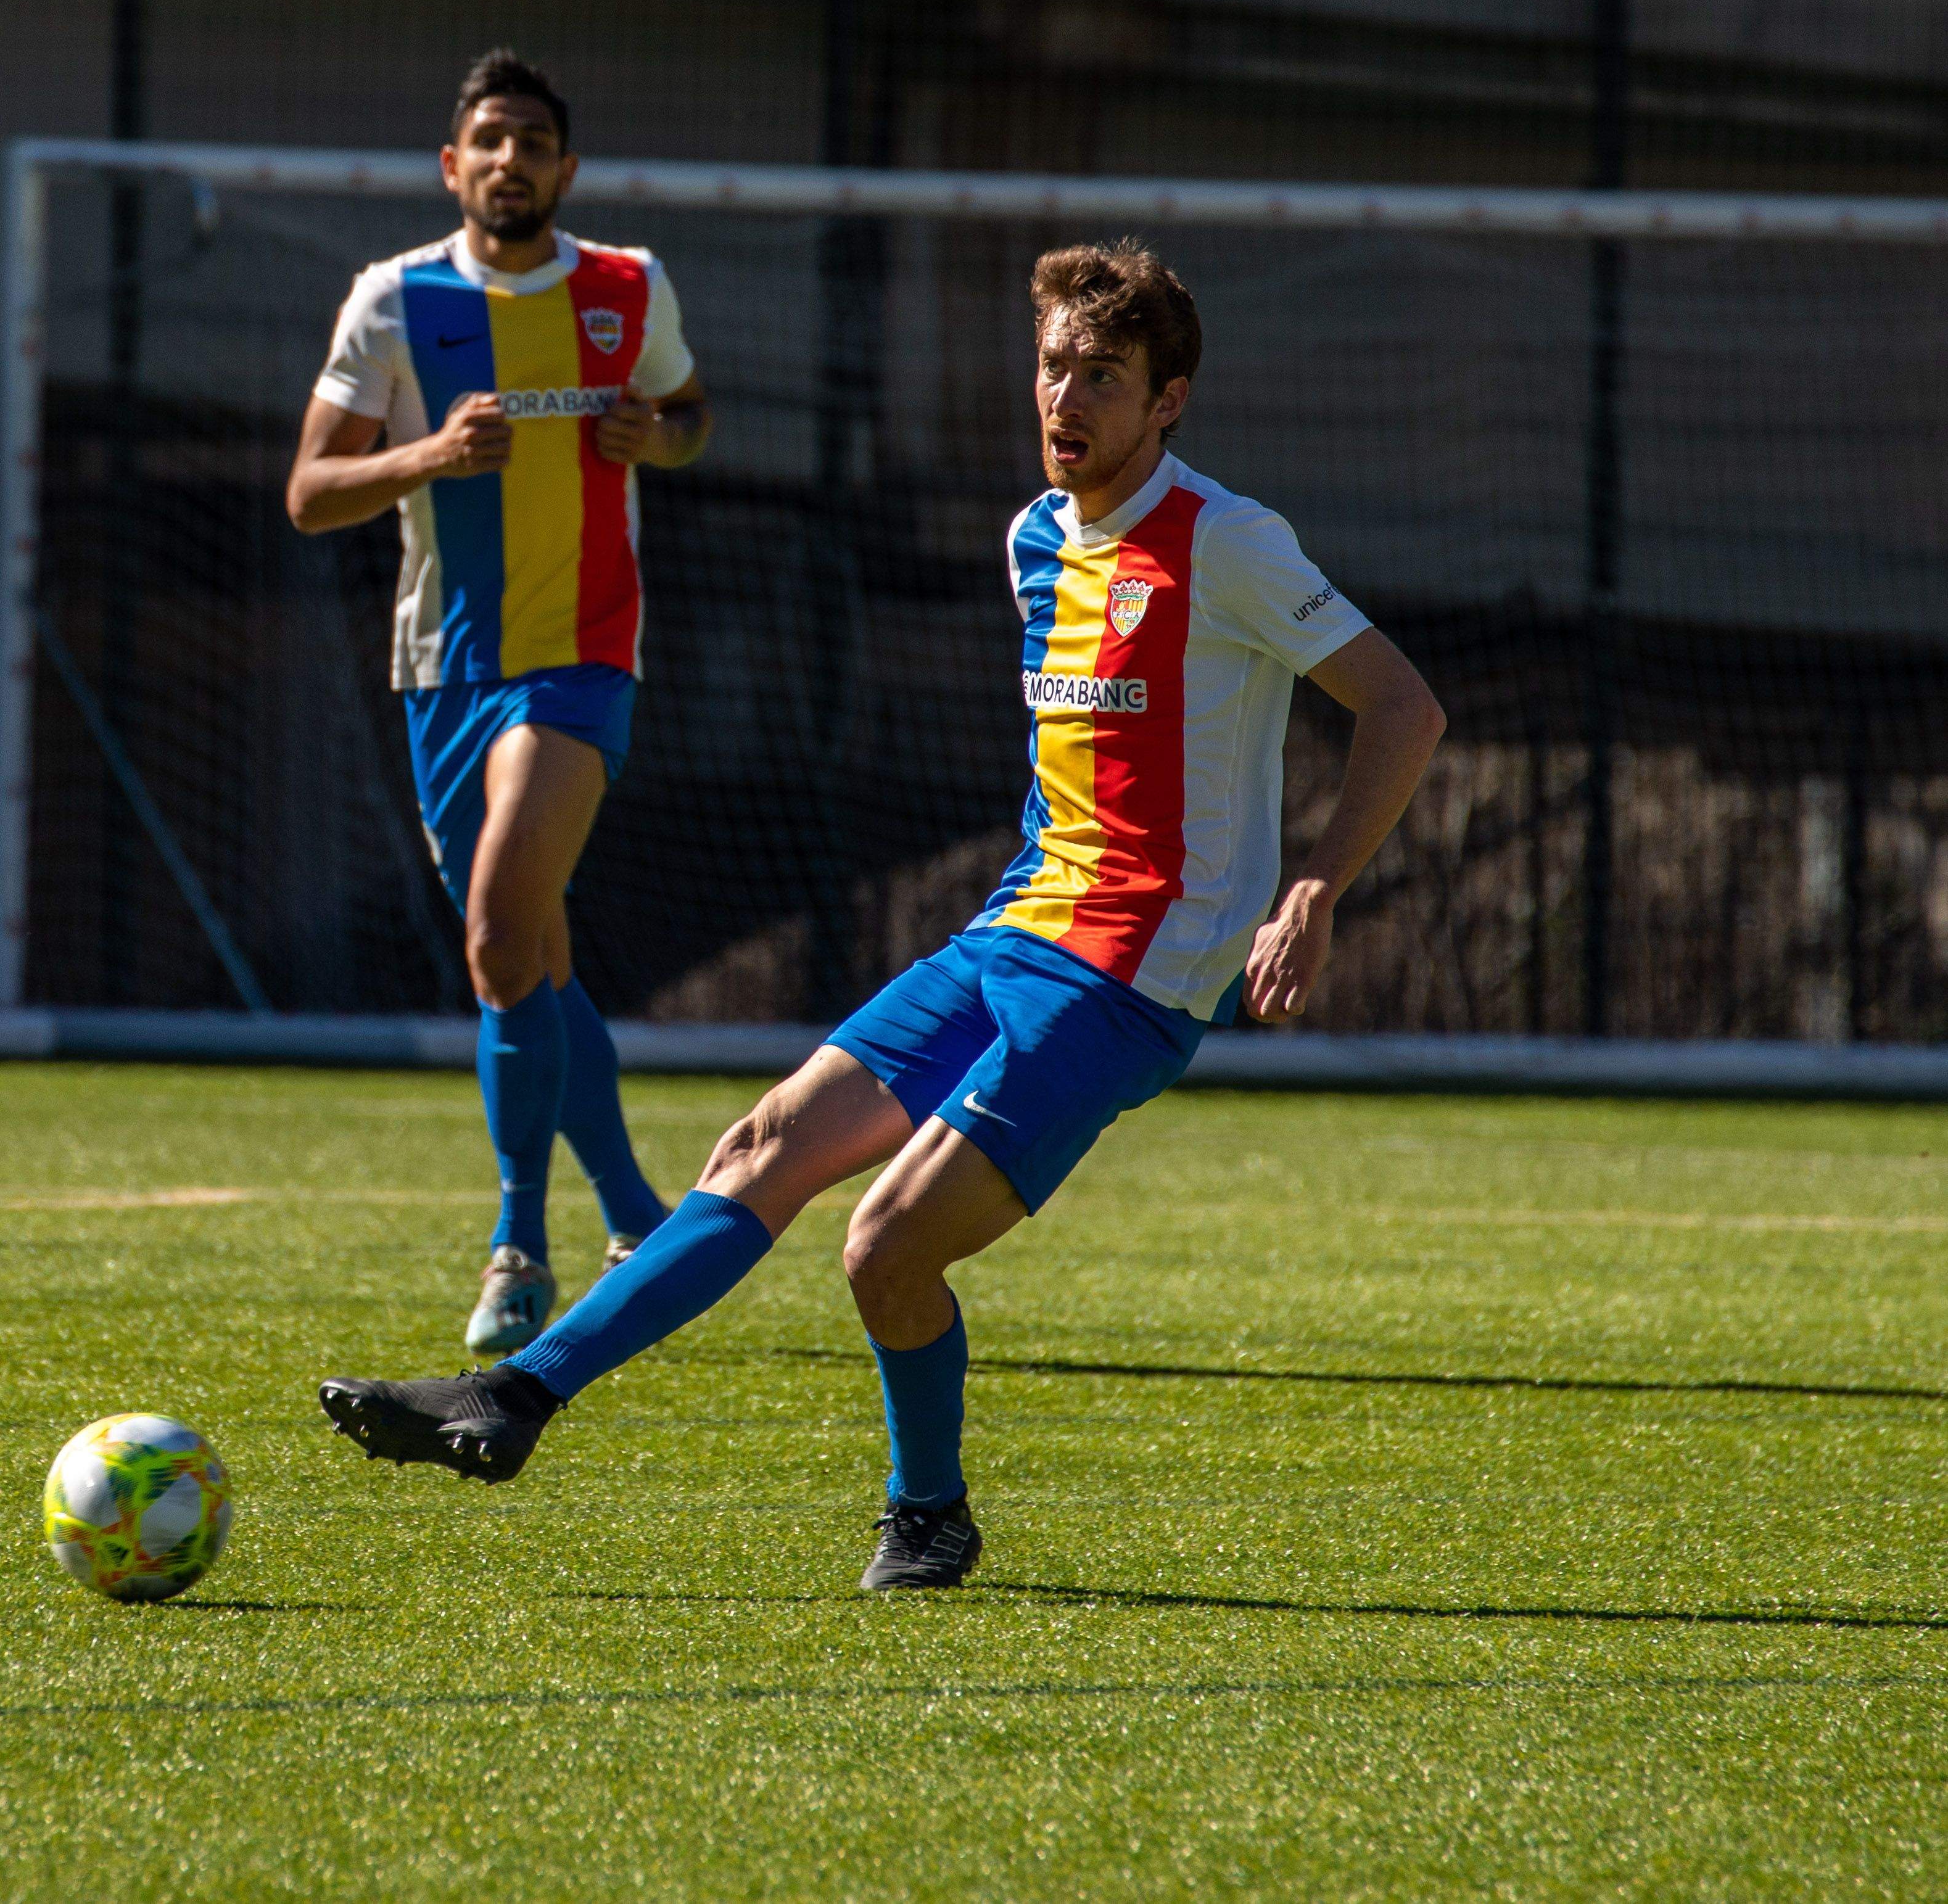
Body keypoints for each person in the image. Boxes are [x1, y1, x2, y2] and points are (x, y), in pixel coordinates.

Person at [318, 239, 1448, 1592]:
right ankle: (512, 1401)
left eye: (1103, 374)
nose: (1065, 397)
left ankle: (928, 1514)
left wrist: (1309, 890)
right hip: (1007, 935)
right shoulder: (1034, 539)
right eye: (1050, 369)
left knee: (881, 1246)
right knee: (764, 1142)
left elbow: (1402, 707)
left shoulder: (1228, 540)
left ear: (1168, 402)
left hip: (1131, 978)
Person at [287, 50, 712, 1357]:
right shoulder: (392, 300)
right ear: (451, 164)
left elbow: (687, 412)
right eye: (489, 137)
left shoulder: (625, 286)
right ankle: (642, 1213)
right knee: (532, 957)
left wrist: (662, 437)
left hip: (583, 659)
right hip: (443, 671)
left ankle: (516, 1245)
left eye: (533, 138)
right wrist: (427, 452)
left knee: (492, 932)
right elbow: (309, 494)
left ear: (565, 169)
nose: (510, 158)